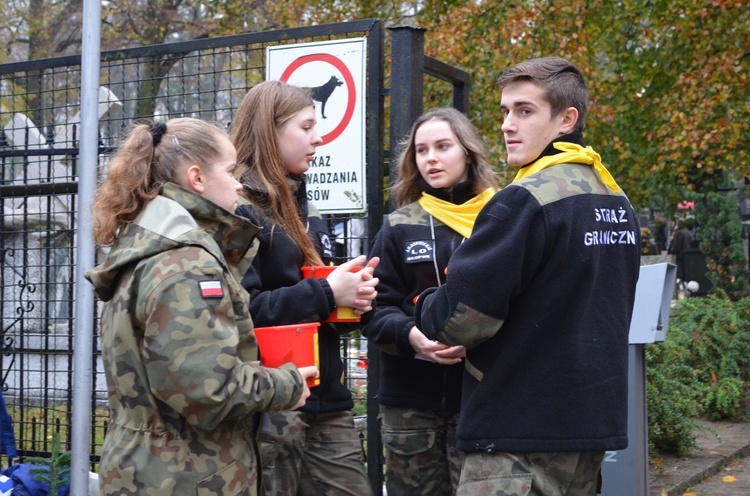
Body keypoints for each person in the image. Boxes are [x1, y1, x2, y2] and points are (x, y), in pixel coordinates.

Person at [414, 57, 641, 495]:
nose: (507, 125)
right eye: (504, 111)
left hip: (519, 437)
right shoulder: (614, 197)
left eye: (524, 110)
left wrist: (425, 304)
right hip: (590, 429)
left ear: (566, 119)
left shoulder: (523, 199)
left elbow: (460, 322)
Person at [85, 118, 317, 495]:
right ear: (197, 178)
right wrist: (287, 384)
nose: (239, 183)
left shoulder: (149, 244)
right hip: (188, 475)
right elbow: (208, 392)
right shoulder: (186, 264)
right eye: (229, 171)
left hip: (152, 469)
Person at [229, 80, 379, 496]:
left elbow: (318, 303)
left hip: (326, 398)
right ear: (269, 130)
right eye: (306, 126)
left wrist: (353, 302)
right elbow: (243, 311)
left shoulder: (309, 207)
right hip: (270, 403)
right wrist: (329, 293)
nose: (319, 137)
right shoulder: (239, 210)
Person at [362, 107, 499, 495]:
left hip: (482, 399)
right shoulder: (399, 225)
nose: (431, 158)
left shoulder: (501, 217)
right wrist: (412, 337)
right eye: (422, 150)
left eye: (443, 146)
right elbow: (372, 310)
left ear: (468, 153)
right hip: (410, 406)